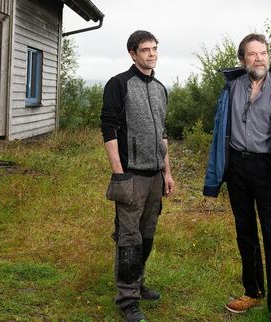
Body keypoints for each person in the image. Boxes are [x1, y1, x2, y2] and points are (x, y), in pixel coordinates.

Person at [202, 33, 271, 322]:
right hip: (237, 167)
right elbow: (219, 131)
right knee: (245, 233)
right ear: (242, 59)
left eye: (263, 53)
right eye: (252, 54)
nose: (259, 58)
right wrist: (216, 174)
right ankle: (253, 291)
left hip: (268, 170)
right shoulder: (231, 87)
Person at [101, 30, 175, 322]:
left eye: (154, 48)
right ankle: (127, 300)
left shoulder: (160, 88)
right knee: (129, 238)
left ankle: (138, 282)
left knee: (147, 234)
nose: (152, 54)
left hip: (155, 176)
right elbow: (108, 130)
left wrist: (167, 172)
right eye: (145, 49)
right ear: (132, 54)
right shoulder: (119, 84)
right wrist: (119, 174)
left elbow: (163, 134)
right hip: (131, 175)